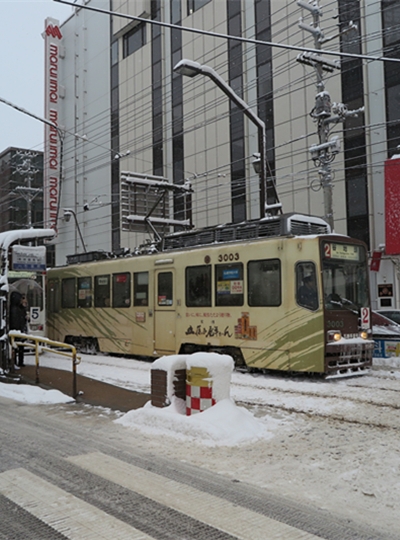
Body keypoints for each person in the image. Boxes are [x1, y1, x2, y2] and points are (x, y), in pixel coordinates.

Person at [9, 291, 28, 367]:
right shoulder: (14, 309)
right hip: (17, 331)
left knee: (19, 347)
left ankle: (19, 362)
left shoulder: (20, 308)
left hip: (19, 331)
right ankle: (17, 362)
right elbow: (15, 321)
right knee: (17, 347)